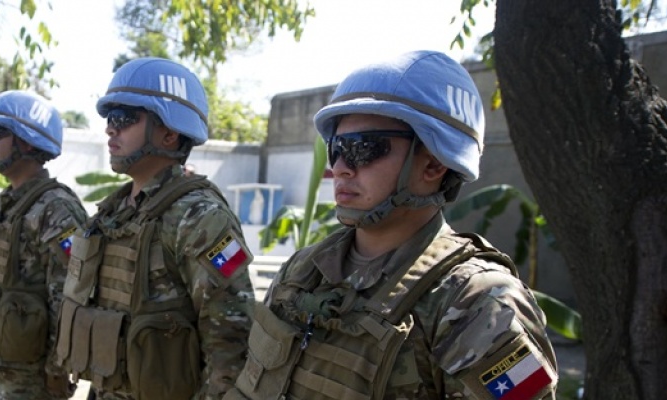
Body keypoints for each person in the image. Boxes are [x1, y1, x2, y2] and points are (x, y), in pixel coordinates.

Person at [224, 50, 558, 400]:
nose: (339, 167)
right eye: (335, 148)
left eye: (362, 148)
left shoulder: (477, 304)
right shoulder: (302, 272)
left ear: (433, 164)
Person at [54, 57, 255, 400]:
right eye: (109, 118)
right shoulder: (114, 212)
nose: (109, 128)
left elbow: (230, 343)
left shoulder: (200, 216)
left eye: (123, 118)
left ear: (169, 132)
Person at [0, 90, 86, 399]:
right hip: (3, 361)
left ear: (26, 142)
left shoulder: (57, 209)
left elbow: (69, 299)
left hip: (33, 375)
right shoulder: (6, 203)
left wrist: (56, 372)